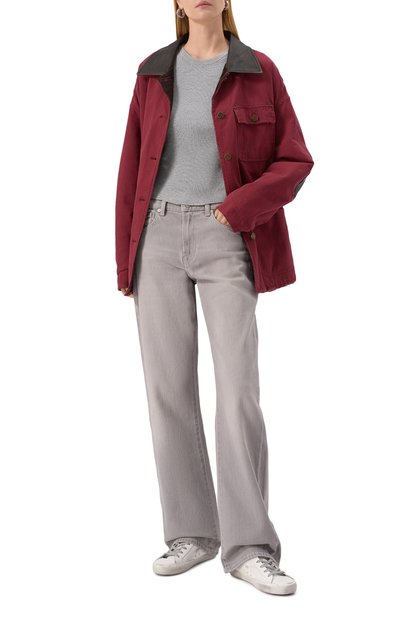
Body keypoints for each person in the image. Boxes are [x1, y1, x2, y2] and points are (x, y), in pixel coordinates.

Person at [115, 0, 314, 596]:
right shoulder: (152, 72)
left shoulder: (259, 70)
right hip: (156, 236)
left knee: (237, 391)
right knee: (167, 390)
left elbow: (295, 160)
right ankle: (193, 534)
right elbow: (130, 168)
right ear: (176, 4)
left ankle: (250, 547)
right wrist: (126, 258)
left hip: (229, 235)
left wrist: (239, 208)